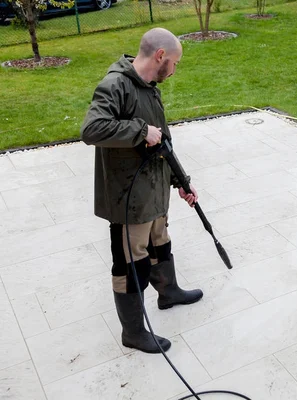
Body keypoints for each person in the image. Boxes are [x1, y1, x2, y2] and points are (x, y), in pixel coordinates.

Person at [81, 28, 203, 354]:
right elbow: (91, 129)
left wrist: (181, 181)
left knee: (159, 243)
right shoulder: (116, 85)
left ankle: (169, 292)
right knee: (131, 263)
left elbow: (161, 140)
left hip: (155, 190)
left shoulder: (149, 86)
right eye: (174, 62)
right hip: (128, 198)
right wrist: (139, 130)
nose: (175, 70)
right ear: (160, 56)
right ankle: (133, 332)